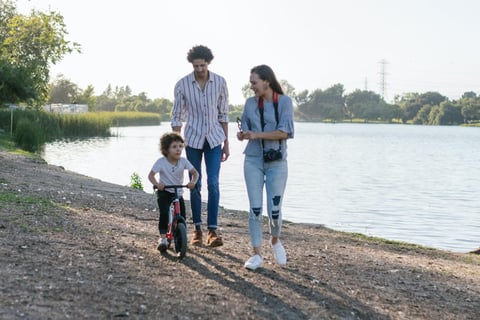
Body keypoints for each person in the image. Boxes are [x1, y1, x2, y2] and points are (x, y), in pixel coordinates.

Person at [237, 64, 294, 270]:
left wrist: (257, 134)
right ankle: (257, 255)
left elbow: (285, 132)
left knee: (275, 209)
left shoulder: (285, 102)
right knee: (255, 208)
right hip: (253, 159)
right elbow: (245, 128)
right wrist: (243, 134)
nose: (251, 86)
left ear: (266, 82)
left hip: (277, 162)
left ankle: (275, 240)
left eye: (254, 82)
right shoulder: (249, 104)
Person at [171, 45, 230, 247]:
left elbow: (223, 114)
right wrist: (175, 146)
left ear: (208, 63)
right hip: (193, 139)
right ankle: (197, 229)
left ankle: (212, 231)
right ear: (191, 64)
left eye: (202, 65)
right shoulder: (182, 85)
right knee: (194, 184)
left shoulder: (220, 82)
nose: (199, 69)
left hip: (214, 139)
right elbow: (177, 116)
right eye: (196, 66)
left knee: (213, 183)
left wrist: (227, 143)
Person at [148, 132, 199, 252]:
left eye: (180, 146)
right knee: (164, 213)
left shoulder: (183, 161)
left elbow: (195, 173)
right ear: (166, 149)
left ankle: (181, 237)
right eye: (174, 147)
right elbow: (151, 176)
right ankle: (163, 239)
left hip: (178, 192)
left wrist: (193, 182)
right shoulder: (161, 161)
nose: (178, 149)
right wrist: (157, 184)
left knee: (182, 216)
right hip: (164, 191)